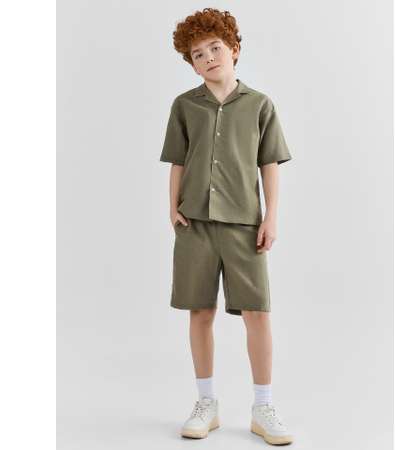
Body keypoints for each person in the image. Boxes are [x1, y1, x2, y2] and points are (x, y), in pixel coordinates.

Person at [159, 8, 294, 446]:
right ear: (192, 65)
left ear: (234, 49)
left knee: (257, 312)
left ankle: (263, 407)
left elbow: (268, 163)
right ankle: (206, 404)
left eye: (215, 48)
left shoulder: (259, 105)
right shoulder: (184, 106)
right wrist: (172, 209)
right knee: (200, 311)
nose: (208, 58)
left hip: (244, 226)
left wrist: (271, 216)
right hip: (195, 224)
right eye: (198, 54)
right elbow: (178, 161)